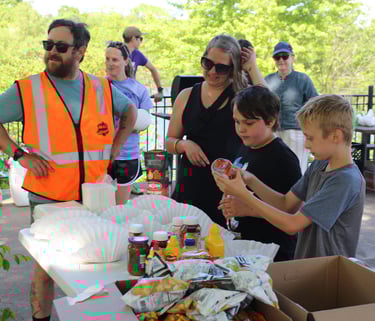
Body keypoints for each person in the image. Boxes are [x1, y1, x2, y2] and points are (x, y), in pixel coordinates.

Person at [0, 19, 136, 321]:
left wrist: (115, 149)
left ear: (81, 51)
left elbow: (129, 112)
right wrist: (19, 154)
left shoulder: (101, 87)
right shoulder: (28, 89)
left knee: (100, 264)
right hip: (49, 197)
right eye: (48, 45)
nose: (52, 52)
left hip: (94, 194)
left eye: (61, 47)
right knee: (47, 268)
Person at [214, 94, 365, 259]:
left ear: (336, 136)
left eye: (310, 138)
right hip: (307, 264)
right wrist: (249, 179)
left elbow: (293, 225)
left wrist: (244, 195)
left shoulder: (345, 180)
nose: (306, 145)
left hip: (329, 270)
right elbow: (285, 204)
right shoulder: (319, 165)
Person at [166, 34, 264, 228]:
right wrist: (184, 144)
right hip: (190, 185)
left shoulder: (240, 96)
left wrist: (252, 67)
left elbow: (267, 108)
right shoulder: (186, 96)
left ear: (232, 69)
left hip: (226, 188)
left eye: (221, 67)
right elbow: (169, 141)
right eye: (207, 63)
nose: (212, 71)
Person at [219, 86, 302, 261]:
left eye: (248, 123)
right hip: (246, 246)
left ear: (270, 120)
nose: (241, 129)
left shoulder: (283, 158)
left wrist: (248, 209)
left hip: (272, 252)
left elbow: (292, 212)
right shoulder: (247, 145)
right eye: (237, 121)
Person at [105, 41, 153, 204]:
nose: (110, 64)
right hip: (101, 154)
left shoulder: (139, 89)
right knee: (99, 205)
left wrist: (129, 121)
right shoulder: (98, 86)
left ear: (126, 61)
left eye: (115, 60)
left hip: (126, 154)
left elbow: (144, 121)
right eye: (107, 59)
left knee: (120, 208)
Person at [265, 41, 319, 173]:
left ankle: (297, 194)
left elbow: (315, 105)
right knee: (274, 170)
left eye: (285, 56)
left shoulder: (303, 79)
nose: (281, 60)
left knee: (297, 169)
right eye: (277, 57)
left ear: (292, 58)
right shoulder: (267, 80)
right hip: (273, 132)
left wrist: (311, 132)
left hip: (296, 133)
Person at [122, 26, 163, 103]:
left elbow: (153, 69)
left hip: (131, 94)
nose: (141, 42)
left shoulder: (137, 54)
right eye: (140, 39)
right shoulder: (118, 52)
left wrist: (160, 90)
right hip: (117, 92)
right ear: (134, 38)